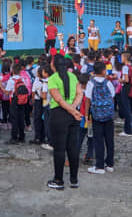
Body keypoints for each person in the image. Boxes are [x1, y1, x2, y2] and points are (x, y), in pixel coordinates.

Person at [46, 54, 83, 190]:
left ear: (53, 65)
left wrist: (71, 110)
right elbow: (80, 93)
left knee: (59, 149)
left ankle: (59, 180)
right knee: (73, 149)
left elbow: (59, 100)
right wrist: (74, 109)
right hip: (73, 114)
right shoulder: (73, 76)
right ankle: (74, 180)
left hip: (59, 114)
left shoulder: (52, 79)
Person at [84, 61, 115, 175]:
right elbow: (112, 97)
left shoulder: (91, 83)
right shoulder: (108, 83)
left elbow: (88, 100)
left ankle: (99, 166)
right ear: (103, 71)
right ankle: (110, 164)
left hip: (96, 115)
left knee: (98, 140)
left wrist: (87, 115)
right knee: (109, 140)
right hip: (108, 115)